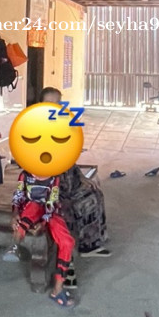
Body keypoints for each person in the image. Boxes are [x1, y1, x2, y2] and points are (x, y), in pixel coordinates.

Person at [39, 87, 111, 258]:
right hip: (49, 185)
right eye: (49, 103)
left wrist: (82, 177)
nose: (53, 107)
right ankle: (80, 248)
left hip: (68, 180)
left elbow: (69, 159)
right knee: (80, 203)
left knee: (94, 192)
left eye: (57, 103)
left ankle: (92, 241)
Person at [10, 169, 77, 307]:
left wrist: (43, 223)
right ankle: (14, 246)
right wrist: (15, 213)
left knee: (67, 242)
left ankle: (58, 289)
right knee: (30, 210)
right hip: (30, 210)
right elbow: (18, 195)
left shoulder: (54, 177)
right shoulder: (25, 175)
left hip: (50, 213)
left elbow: (52, 203)